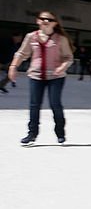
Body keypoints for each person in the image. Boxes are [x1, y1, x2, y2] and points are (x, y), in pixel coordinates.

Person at [8, 11, 75, 145]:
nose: (45, 21)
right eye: (42, 18)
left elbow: (69, 57)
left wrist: (62, 67)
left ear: (54, 23)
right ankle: (32, 134)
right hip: (36, 76)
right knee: (34, 105)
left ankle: (60, 133)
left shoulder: (60, 39)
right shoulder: (31, 37)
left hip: (56, 77)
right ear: (37, 21)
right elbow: (21, 53)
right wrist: (13, 66)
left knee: (55, 104)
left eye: (49, 19)